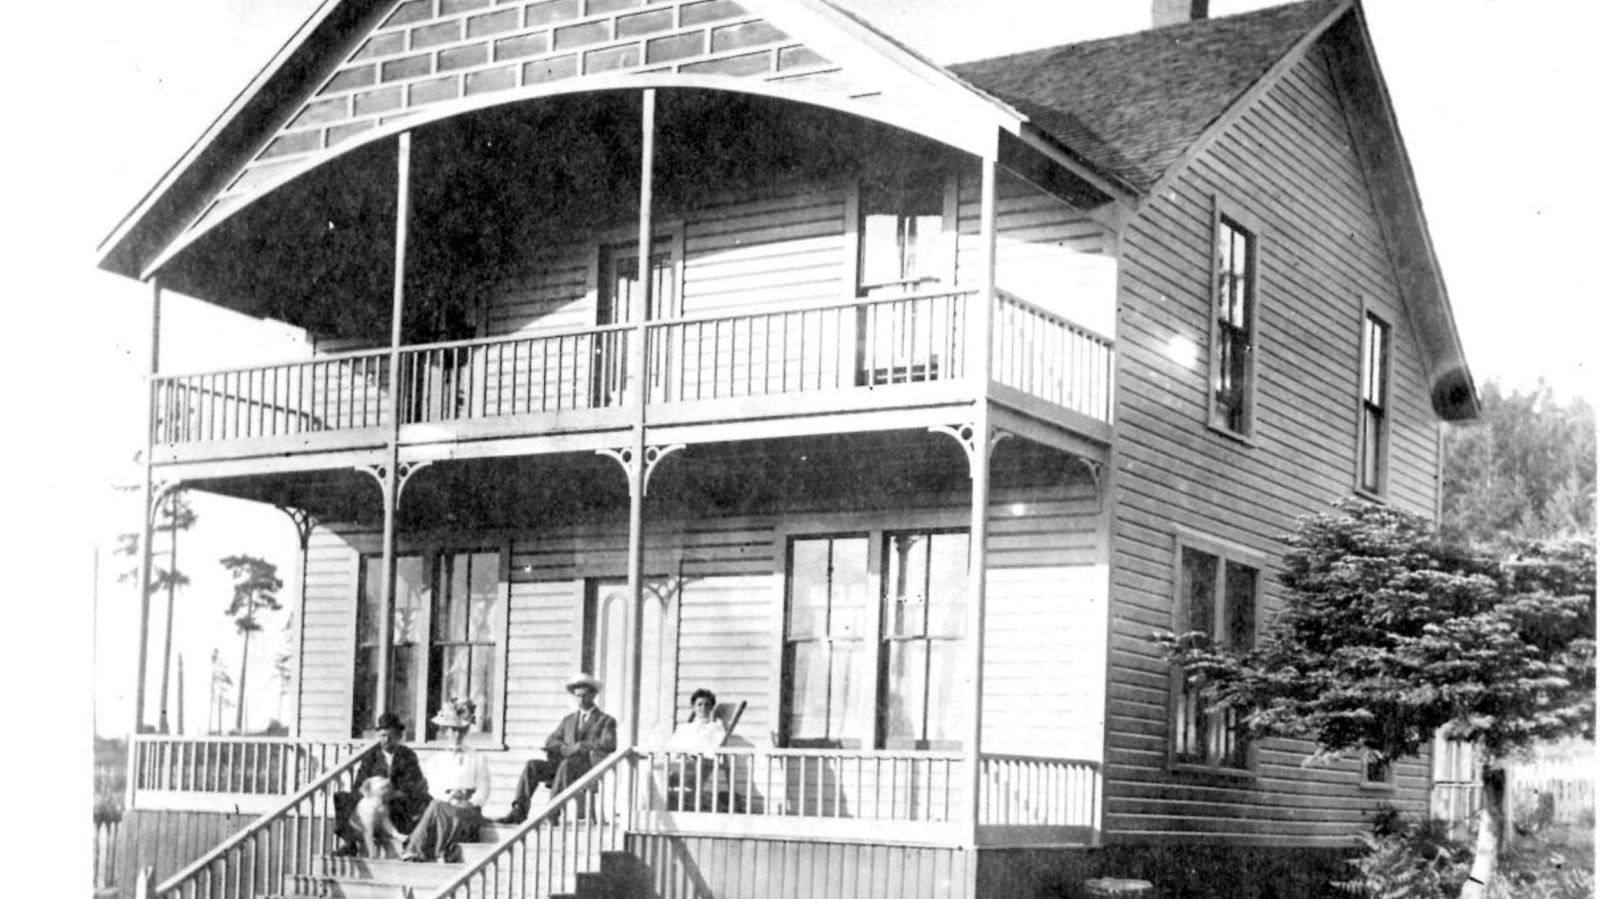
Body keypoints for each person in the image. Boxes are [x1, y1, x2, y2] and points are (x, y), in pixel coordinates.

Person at [496, 673, 617, 824]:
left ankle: (552, 813)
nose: (581, 700)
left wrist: (580, 746)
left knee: (566, 766)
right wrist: (563, 747)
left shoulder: (605, 720)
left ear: (593, 695)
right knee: (532, 765)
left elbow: (609, 744)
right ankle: (518, 812)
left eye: (585, 695)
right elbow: (551, 740)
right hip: (563, 766)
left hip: (587, 768)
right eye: (578, 696)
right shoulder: (569, 720)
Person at [401, 700, 490, 862]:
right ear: (446, 732)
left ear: (466, 731)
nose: (457, 735)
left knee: (437, 809)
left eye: (461, 731)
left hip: (469, 807)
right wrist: (451, 799)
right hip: (446, 802)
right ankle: (438, 851)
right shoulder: (436, 760)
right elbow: (434, 789)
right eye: (453, 730)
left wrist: (471, 801)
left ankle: (416, 848)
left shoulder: (477, 758)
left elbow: (484, 790)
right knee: (437, 805)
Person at [335, 712, 430, 855]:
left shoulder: (408, 755)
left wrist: (394, 794)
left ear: (399, 736)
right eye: (383, 736)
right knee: (341, 797)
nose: (386, 740)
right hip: (373, 807)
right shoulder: (371, 756)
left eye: (390, 736)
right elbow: (358, 785)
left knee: (424, 800)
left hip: (397, 808)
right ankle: (350, 842)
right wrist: (369, 794)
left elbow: (415, 785)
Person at [663, 688, 729, 811]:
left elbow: (714, 750)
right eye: (699, 704)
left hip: (697, 765)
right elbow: (671, 747)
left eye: (707, 705)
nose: (703, 708)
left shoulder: (714, 728)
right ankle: (658, 806)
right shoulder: (685, 728)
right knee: (656, 770)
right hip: (677, 763)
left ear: (711, 708)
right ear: (693, 707)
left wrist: (692, 755)